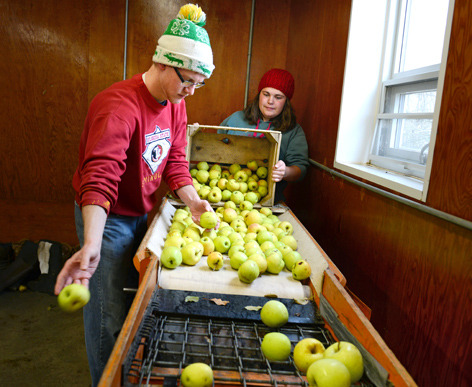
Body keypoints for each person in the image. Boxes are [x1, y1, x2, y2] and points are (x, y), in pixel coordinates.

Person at [54, 4, 215, 385]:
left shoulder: (176, 103)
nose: (190, 90)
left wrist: (193, 201)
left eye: (198, 84)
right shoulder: (118, 107)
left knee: (129, 303)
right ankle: (107, 380)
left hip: (139, 214)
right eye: (186, 80)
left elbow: (175, 160)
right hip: (106, 220)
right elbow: (100, 178)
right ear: (161, 63)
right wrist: (92, 242)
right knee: (107, 317)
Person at [219, 68, 309, 203]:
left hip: (268, 201)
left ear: (286, 101)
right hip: (226, 196)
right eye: (266, 94)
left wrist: (285, 172)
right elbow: (214, 148)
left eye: (278, 97)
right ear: (259, 95)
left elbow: (300, 169)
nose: (270, 101)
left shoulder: (293, 131)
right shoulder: (235, 119)